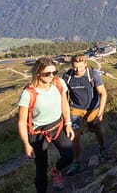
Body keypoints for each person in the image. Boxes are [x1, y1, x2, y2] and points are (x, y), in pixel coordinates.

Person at [17, 57, 74, 192]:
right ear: (37, 73)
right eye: (47, 74)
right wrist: (26, 144)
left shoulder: (59, 83)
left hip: (57, 126)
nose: (51, 76)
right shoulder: (28, 93)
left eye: (54, 72)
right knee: (41, 169)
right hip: (37, 133)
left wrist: (68, 123)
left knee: (69, 156)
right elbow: (21, 121)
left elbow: (64, 103)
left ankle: (56, 171)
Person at [62, 53, 109, 175]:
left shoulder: (92, 74)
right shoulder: (67, 77)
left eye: (80, 67)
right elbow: (62, 96)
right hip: (75, 109)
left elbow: (103, 93)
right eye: (75, 67)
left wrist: (100, 112)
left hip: (92, 108)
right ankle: (76, 162)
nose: (77, 70)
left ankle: (103, 149)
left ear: (85, 64)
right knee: (75, 135)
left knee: (97, 130)